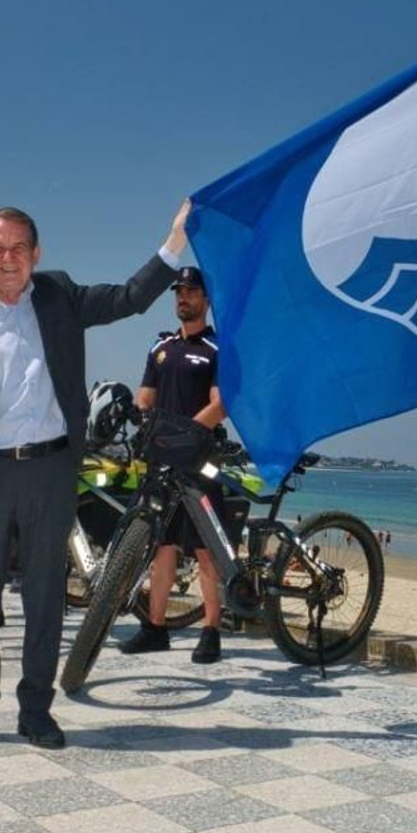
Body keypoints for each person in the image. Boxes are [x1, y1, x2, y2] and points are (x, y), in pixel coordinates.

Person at [0, 203, 183, 753]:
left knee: (44, 596)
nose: (8, 258)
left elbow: (130, 298)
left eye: (18, 248)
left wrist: (175, 243)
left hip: (49, 470)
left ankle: (37, 710)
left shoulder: (61, 298)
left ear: (36, 254)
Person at [120, 266, 228, 664]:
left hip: (200, 459)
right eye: (179, 291)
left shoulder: (217, 349)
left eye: (191, 291)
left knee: (204, 550)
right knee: (160, 547)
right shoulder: (160, 347)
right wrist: (141, 421)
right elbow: (145, 397)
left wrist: (185, 433)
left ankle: (211, 629)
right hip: (161, 459)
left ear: (206, 299)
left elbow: (220, 405)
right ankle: (155, 627)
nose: (183, 297)